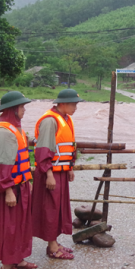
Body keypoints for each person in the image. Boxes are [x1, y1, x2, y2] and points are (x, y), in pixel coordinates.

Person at [0, 91, 36, 269]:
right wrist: (7, 190)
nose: (24, 110)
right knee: (10, 226)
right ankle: (7, 267)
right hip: (9, 188)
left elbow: (20, 159)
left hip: (19, 185)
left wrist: (26, 180)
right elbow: (0, 165)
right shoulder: (3, 132)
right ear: (13, 109)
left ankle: (18, 258)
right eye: (22, 107)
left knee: (21, 224)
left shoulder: (16, 129)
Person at [32, 89, 82, 259]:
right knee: (51, 209)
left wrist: (70, 168)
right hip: (50, 173)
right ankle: (52, 247)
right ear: (62, 104)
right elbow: (43, 150)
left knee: (59, 208)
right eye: (73, 104)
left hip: (60, 171)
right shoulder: (50, 121)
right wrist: (49, 174)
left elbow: (67, 148)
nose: (76, 107)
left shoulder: (66, 119)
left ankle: (54, 242)